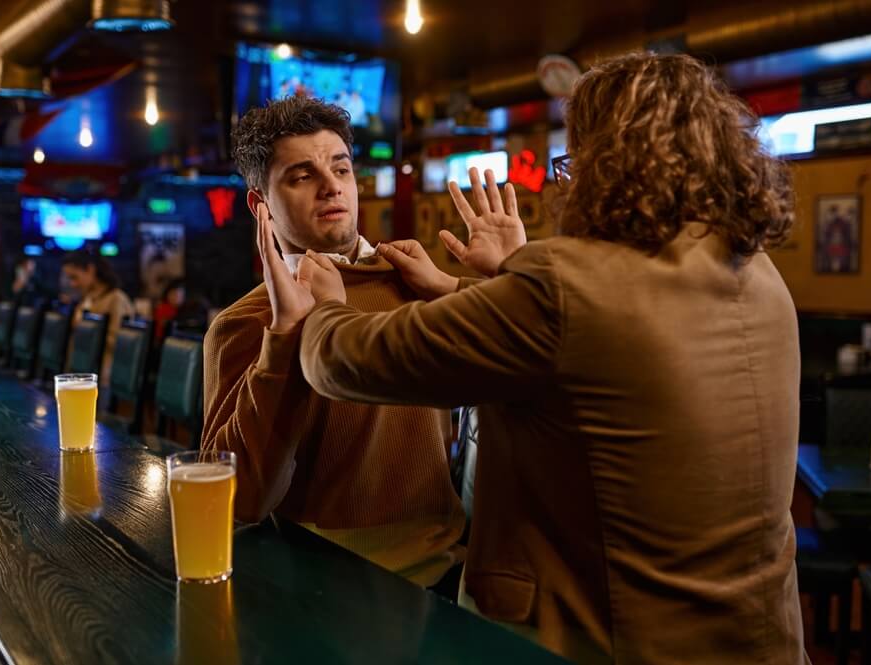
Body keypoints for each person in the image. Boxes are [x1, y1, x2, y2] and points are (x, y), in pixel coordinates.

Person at [270, 53, 805, 664]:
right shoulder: (759, 274)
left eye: (573, 161)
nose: (566, 181)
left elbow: (345, 361)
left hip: (604, 641)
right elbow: (601, 341)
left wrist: (324, 308)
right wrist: (482, 283)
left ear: (607, 165)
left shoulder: (563, 285)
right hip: (760, 641)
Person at [200, 96, 468, 589]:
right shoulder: (244, 323)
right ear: (260, 204)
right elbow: (238, 499)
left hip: (449, 577)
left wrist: (465, 288)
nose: (331, 187)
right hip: (318, 589)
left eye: (341, 170)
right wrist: (286, 337)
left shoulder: (416, 284)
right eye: (302, 176)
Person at [61, 250, 134, 385]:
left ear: (90, 270)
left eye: (74, 277)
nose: (72, 284)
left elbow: (120, 344)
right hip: (79, 373)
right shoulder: (87, 298)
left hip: (101, 379)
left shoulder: (116, 299)